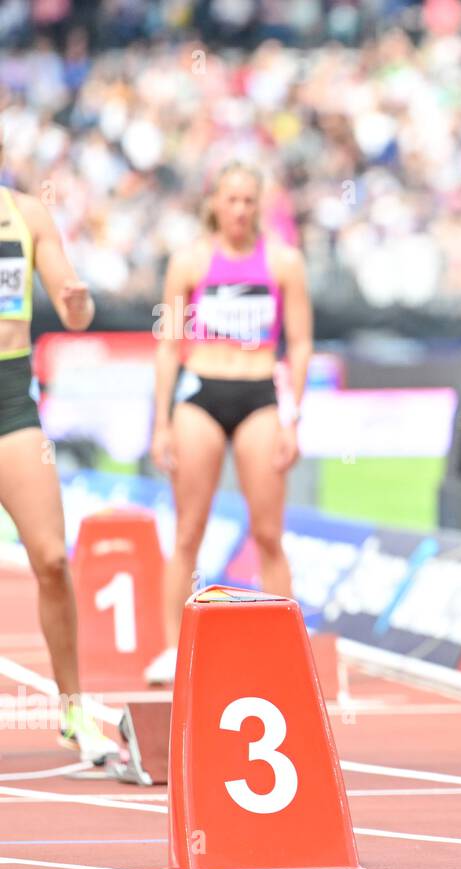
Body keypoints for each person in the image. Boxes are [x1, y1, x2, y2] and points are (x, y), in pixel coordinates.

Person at [145, 162, 313, 683]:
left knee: (268, 533)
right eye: (231, 200)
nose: (240, 210)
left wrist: (292, 419)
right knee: (188, 531)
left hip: (259, 394)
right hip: (201, 392)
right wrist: (161, 422)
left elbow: (301, 343)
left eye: (248, 200)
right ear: (213, 202)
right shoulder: (189, 262)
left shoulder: (284, 262)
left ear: (258, 205)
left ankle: (279, 649)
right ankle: (173, 649)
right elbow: (170, 345)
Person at [0, 158, 118, 761]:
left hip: (11, 399)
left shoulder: (27, 214)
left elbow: (76, 311)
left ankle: (74, 711)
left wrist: (75, 304)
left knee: (50, 558)